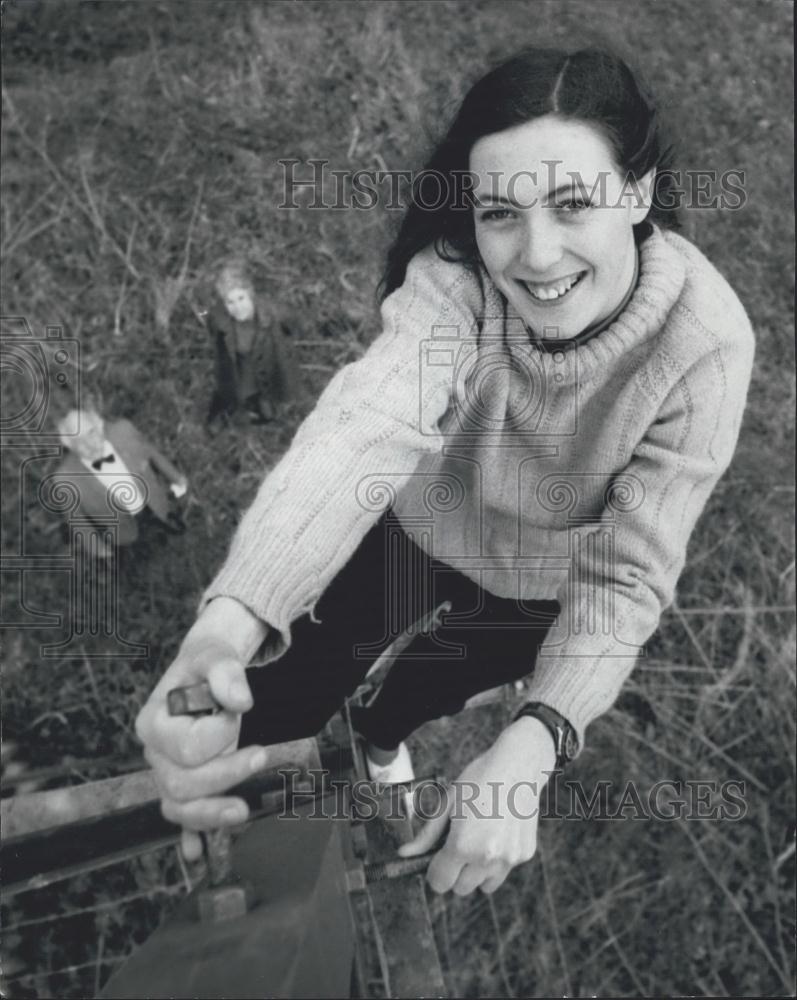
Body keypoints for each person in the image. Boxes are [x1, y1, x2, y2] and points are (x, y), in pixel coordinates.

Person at [136, 46, 754, 898]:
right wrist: (229, 625)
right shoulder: (454, 282)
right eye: (499, 213)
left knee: (427, 685)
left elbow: (630, 570)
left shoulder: (705, 345)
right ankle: (250, 819)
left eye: (573, 204)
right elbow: (363, 425)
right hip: (418, 526)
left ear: (638, 193)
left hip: (539, 584)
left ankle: (381, 741)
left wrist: (537, 736)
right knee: (305, 674)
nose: (535, 257)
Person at [52, 407, 188, 556]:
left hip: (155, 504)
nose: (90, 444)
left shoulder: (124, 431)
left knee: (183, 538)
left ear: (99, 425)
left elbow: (151, 452)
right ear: (71, 447)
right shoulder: (65, 478)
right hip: (125, 532)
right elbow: (77, 520)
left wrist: (176, 477)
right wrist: (98, 549)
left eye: (91, 433)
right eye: (80, 442)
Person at [206, 259, 303, 426]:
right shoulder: (220, 319)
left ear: (250, 294)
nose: (237, 307)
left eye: (241, 298)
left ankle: (270, 409)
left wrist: (289, 342)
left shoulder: (272, 313)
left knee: (272, 392)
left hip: (269, 362)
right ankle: (240, 409)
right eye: (230, 302)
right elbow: (208, 316)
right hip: (243, 367)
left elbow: (295, 323)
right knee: (239, 392)